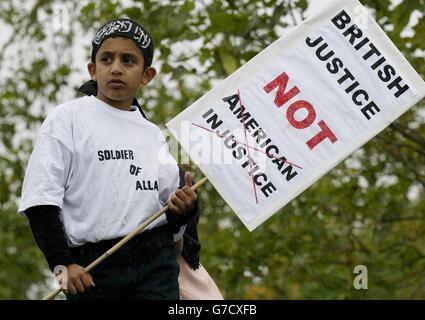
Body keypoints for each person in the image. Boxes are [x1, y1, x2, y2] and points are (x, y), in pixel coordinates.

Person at [18, 17, 198, 300]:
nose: (116, 68)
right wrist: (62, 266)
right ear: (92, 69)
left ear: (146, 75)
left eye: (128, 60)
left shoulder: (154, 134)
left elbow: (171, 215)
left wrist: (184, 209)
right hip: (90, 271)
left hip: (154, 266)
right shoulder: (67, 119)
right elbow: (40, 200)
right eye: (106, 59)